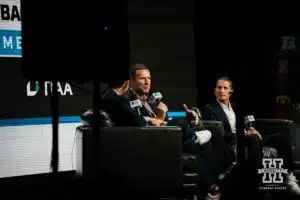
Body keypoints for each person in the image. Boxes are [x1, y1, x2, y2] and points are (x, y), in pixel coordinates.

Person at [100, 76, 221, 200]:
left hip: (160, 135)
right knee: (186, 128)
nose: (147, 82)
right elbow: (140, 123)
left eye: (149, 78)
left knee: (201, 143)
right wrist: (158, 117)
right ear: (129, 84)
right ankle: (195, 137)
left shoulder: (150, 100)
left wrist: (156, 119)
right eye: (142, 79)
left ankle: (209, 186)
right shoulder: (122, 100)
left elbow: (149, 122)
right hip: (153, 140)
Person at [202, 76, 300, 195]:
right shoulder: (210, 109)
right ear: (215, 90)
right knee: (253, 139)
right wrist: (244, 133)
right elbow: (217, 132)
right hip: (232, 140)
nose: (221, 90)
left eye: (225, 88)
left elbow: (248, 119)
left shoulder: (236, 107)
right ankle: (258, 180)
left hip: (246, 135)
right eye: (219, 87)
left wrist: (251, 128)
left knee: (282, 138)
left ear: (230, 91)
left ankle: (288, 176)